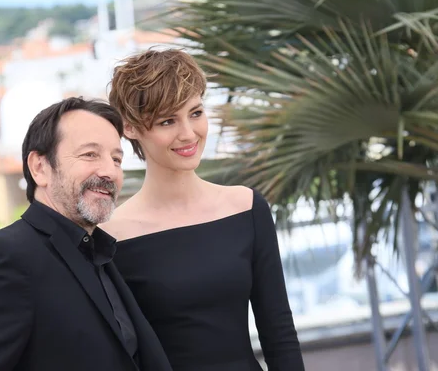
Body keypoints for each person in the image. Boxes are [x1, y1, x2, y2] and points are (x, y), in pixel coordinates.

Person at [102, 49, 305, 371]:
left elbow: (278, 332)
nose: (188, 133)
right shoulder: (110, 237)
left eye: (195, 113)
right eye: (168, 120)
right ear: (130, 127)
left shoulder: (246, 207)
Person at [0, 97, 172, 371]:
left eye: (116, 159)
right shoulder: (5, 257)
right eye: (90, 154)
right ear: (40, 167)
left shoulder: (101, 254)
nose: (109, 171)